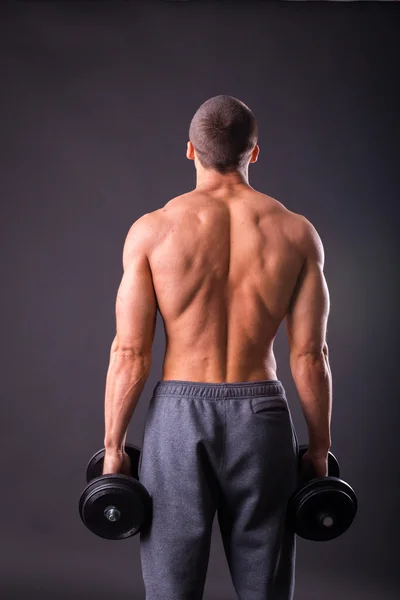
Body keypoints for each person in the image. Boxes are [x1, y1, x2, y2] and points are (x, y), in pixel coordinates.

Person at [102, 95, 332, 600]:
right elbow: (310, 356)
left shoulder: (153, 231)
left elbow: (130, 352)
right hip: (262, 416)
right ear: (254, 152)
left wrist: (115, 448)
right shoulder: (296, 234)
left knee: (171, 588)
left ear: (190, 150)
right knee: (265, 587)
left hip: (179, 419)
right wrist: (319, 448)